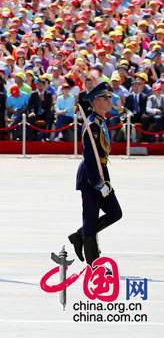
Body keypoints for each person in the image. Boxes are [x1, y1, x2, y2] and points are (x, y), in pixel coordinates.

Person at [67, 83, 122, 264]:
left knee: (115, 212)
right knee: (90, 218)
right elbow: (90, 158)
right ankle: (94, 265)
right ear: (96, 102)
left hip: (102, 171)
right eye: (105, 98)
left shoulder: (100, 122)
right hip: (92, 175)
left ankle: (79, 235)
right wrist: (99, 183)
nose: (109, 101)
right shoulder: (92, 126)